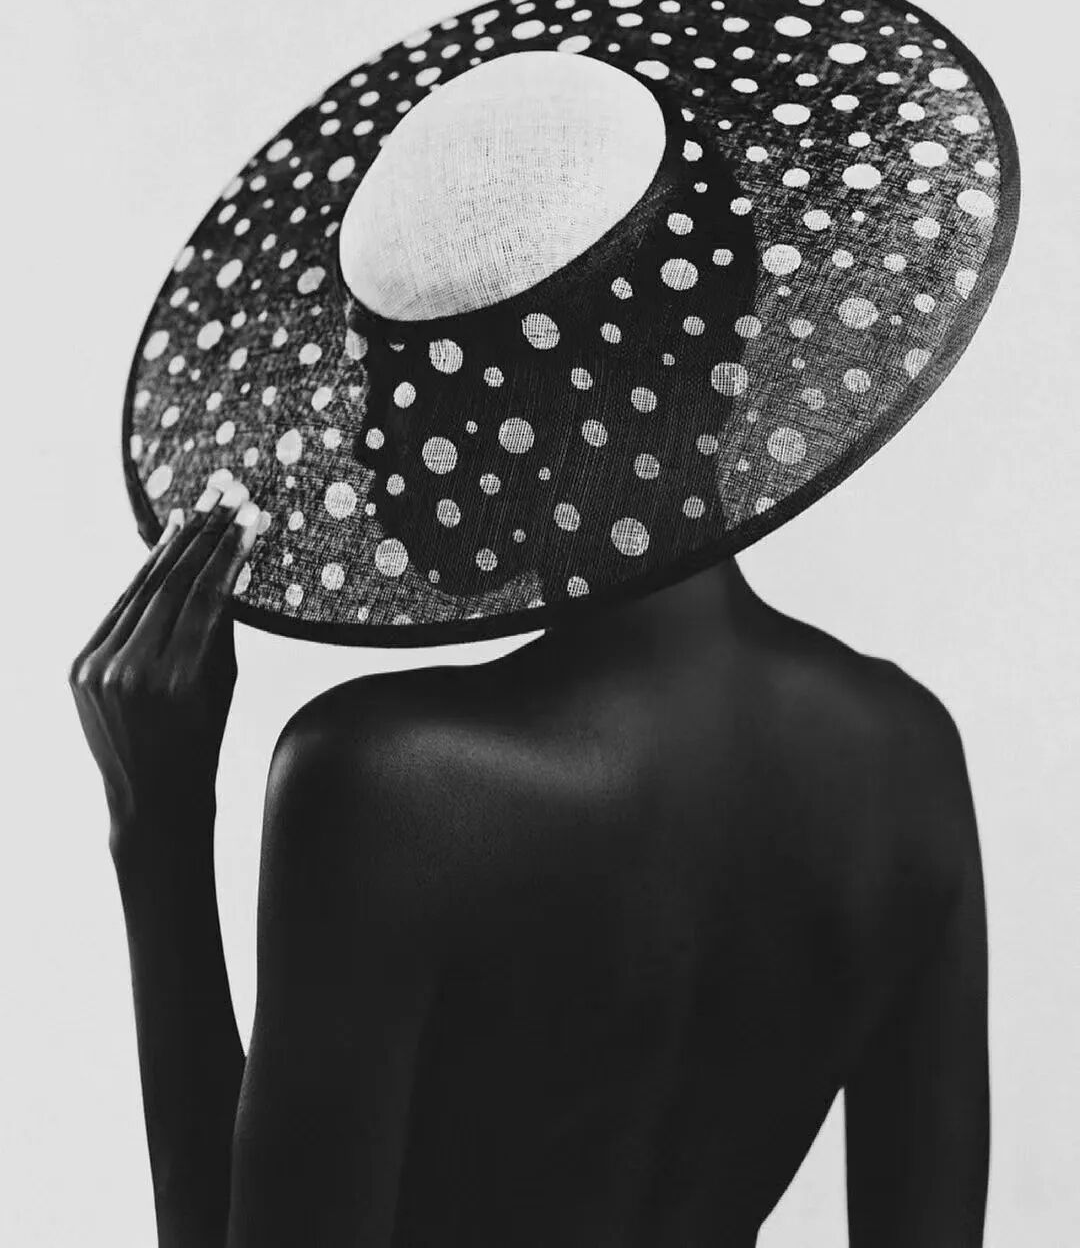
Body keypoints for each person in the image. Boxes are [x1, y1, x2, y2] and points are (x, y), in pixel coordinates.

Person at [69, 475, 987, 1247]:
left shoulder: (386, 783)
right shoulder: (912, 756)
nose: (379, 437)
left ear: (537, 379)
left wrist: (158, 829)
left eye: (405, 371)